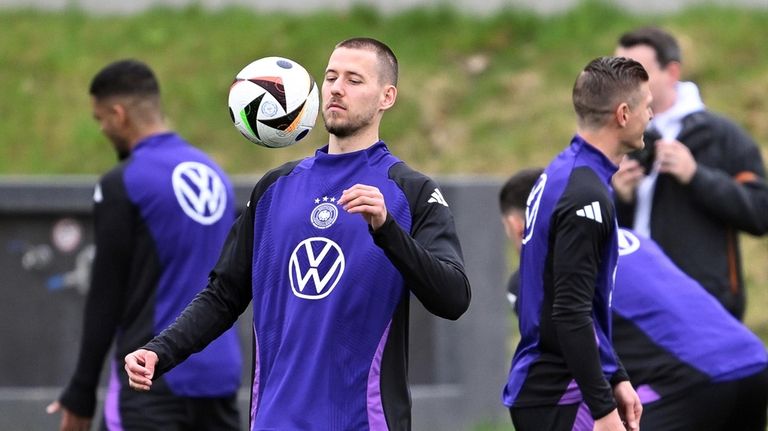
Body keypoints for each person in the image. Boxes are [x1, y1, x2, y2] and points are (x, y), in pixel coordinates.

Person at [123, 37, 471, 431]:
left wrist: (387, 230)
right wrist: (159, 351)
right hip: (274, 421)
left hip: (362, 423)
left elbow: (453, 297)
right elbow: (224, 295)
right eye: (331, 77)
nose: (337, 88)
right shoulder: (275, 188)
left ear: (386, 97)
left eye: (354, 80)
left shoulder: (411, 192)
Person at [46, 59, 243, 431]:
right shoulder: (213, 173)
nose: (102, 128)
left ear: (119, 115)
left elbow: (106, 292)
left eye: (100, 118)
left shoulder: (125, 182)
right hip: (217, 373)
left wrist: (81, 391)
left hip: (150, 377)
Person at [501, 167, 768, 431]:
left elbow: (561, 355)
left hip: (689, 383)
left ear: (518, 227)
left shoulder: (533, 276)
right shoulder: (630, 237)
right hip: (751, 362)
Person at [502, 56, 652, 431]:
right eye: (646, 106)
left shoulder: (564, 171)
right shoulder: (585, 194)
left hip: (554, 386)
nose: (650, 116)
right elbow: (570, 311)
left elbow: (565, 293)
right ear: (622, 114)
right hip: (561, 392)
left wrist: (615, 375)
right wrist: (602, 410)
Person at [611, 26, 768, 320]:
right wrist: (619, 197)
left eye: (636, 72)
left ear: (671, 73)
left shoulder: (723, 135)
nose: (623, 82)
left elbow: (761, 213)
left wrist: (696, 176)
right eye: (618, 71)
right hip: (630, 306)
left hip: (703, 308)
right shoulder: (611, 136)